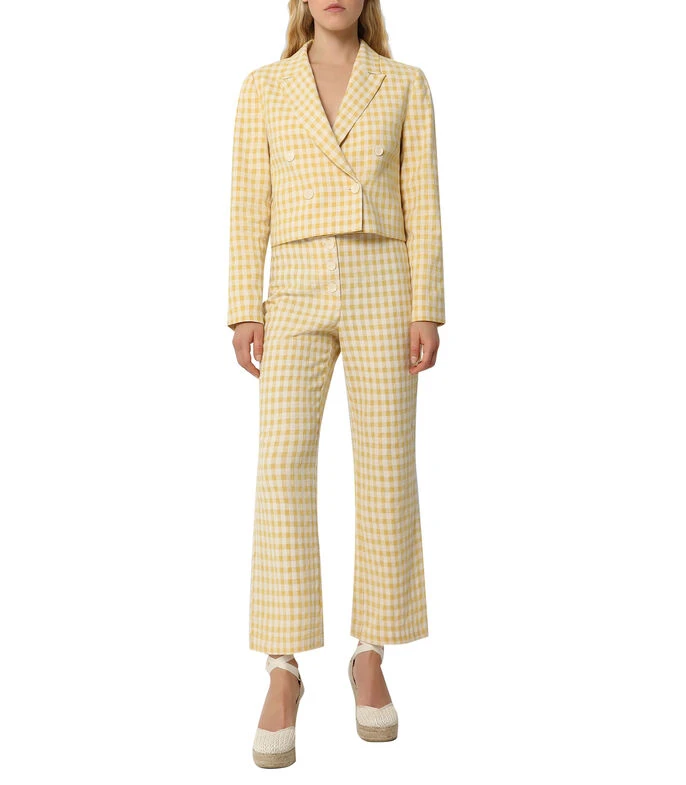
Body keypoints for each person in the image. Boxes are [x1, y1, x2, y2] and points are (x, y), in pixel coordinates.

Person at [226, 0, 445, 768]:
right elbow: (248, 202)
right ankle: (282, 664)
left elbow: (424, 201)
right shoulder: (264, 86)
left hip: (384, 276)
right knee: (283, 461)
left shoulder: (405, 83)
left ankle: (371, 650)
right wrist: (242, 306)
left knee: (385, 463)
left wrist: (426, 306)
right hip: (293, 284)